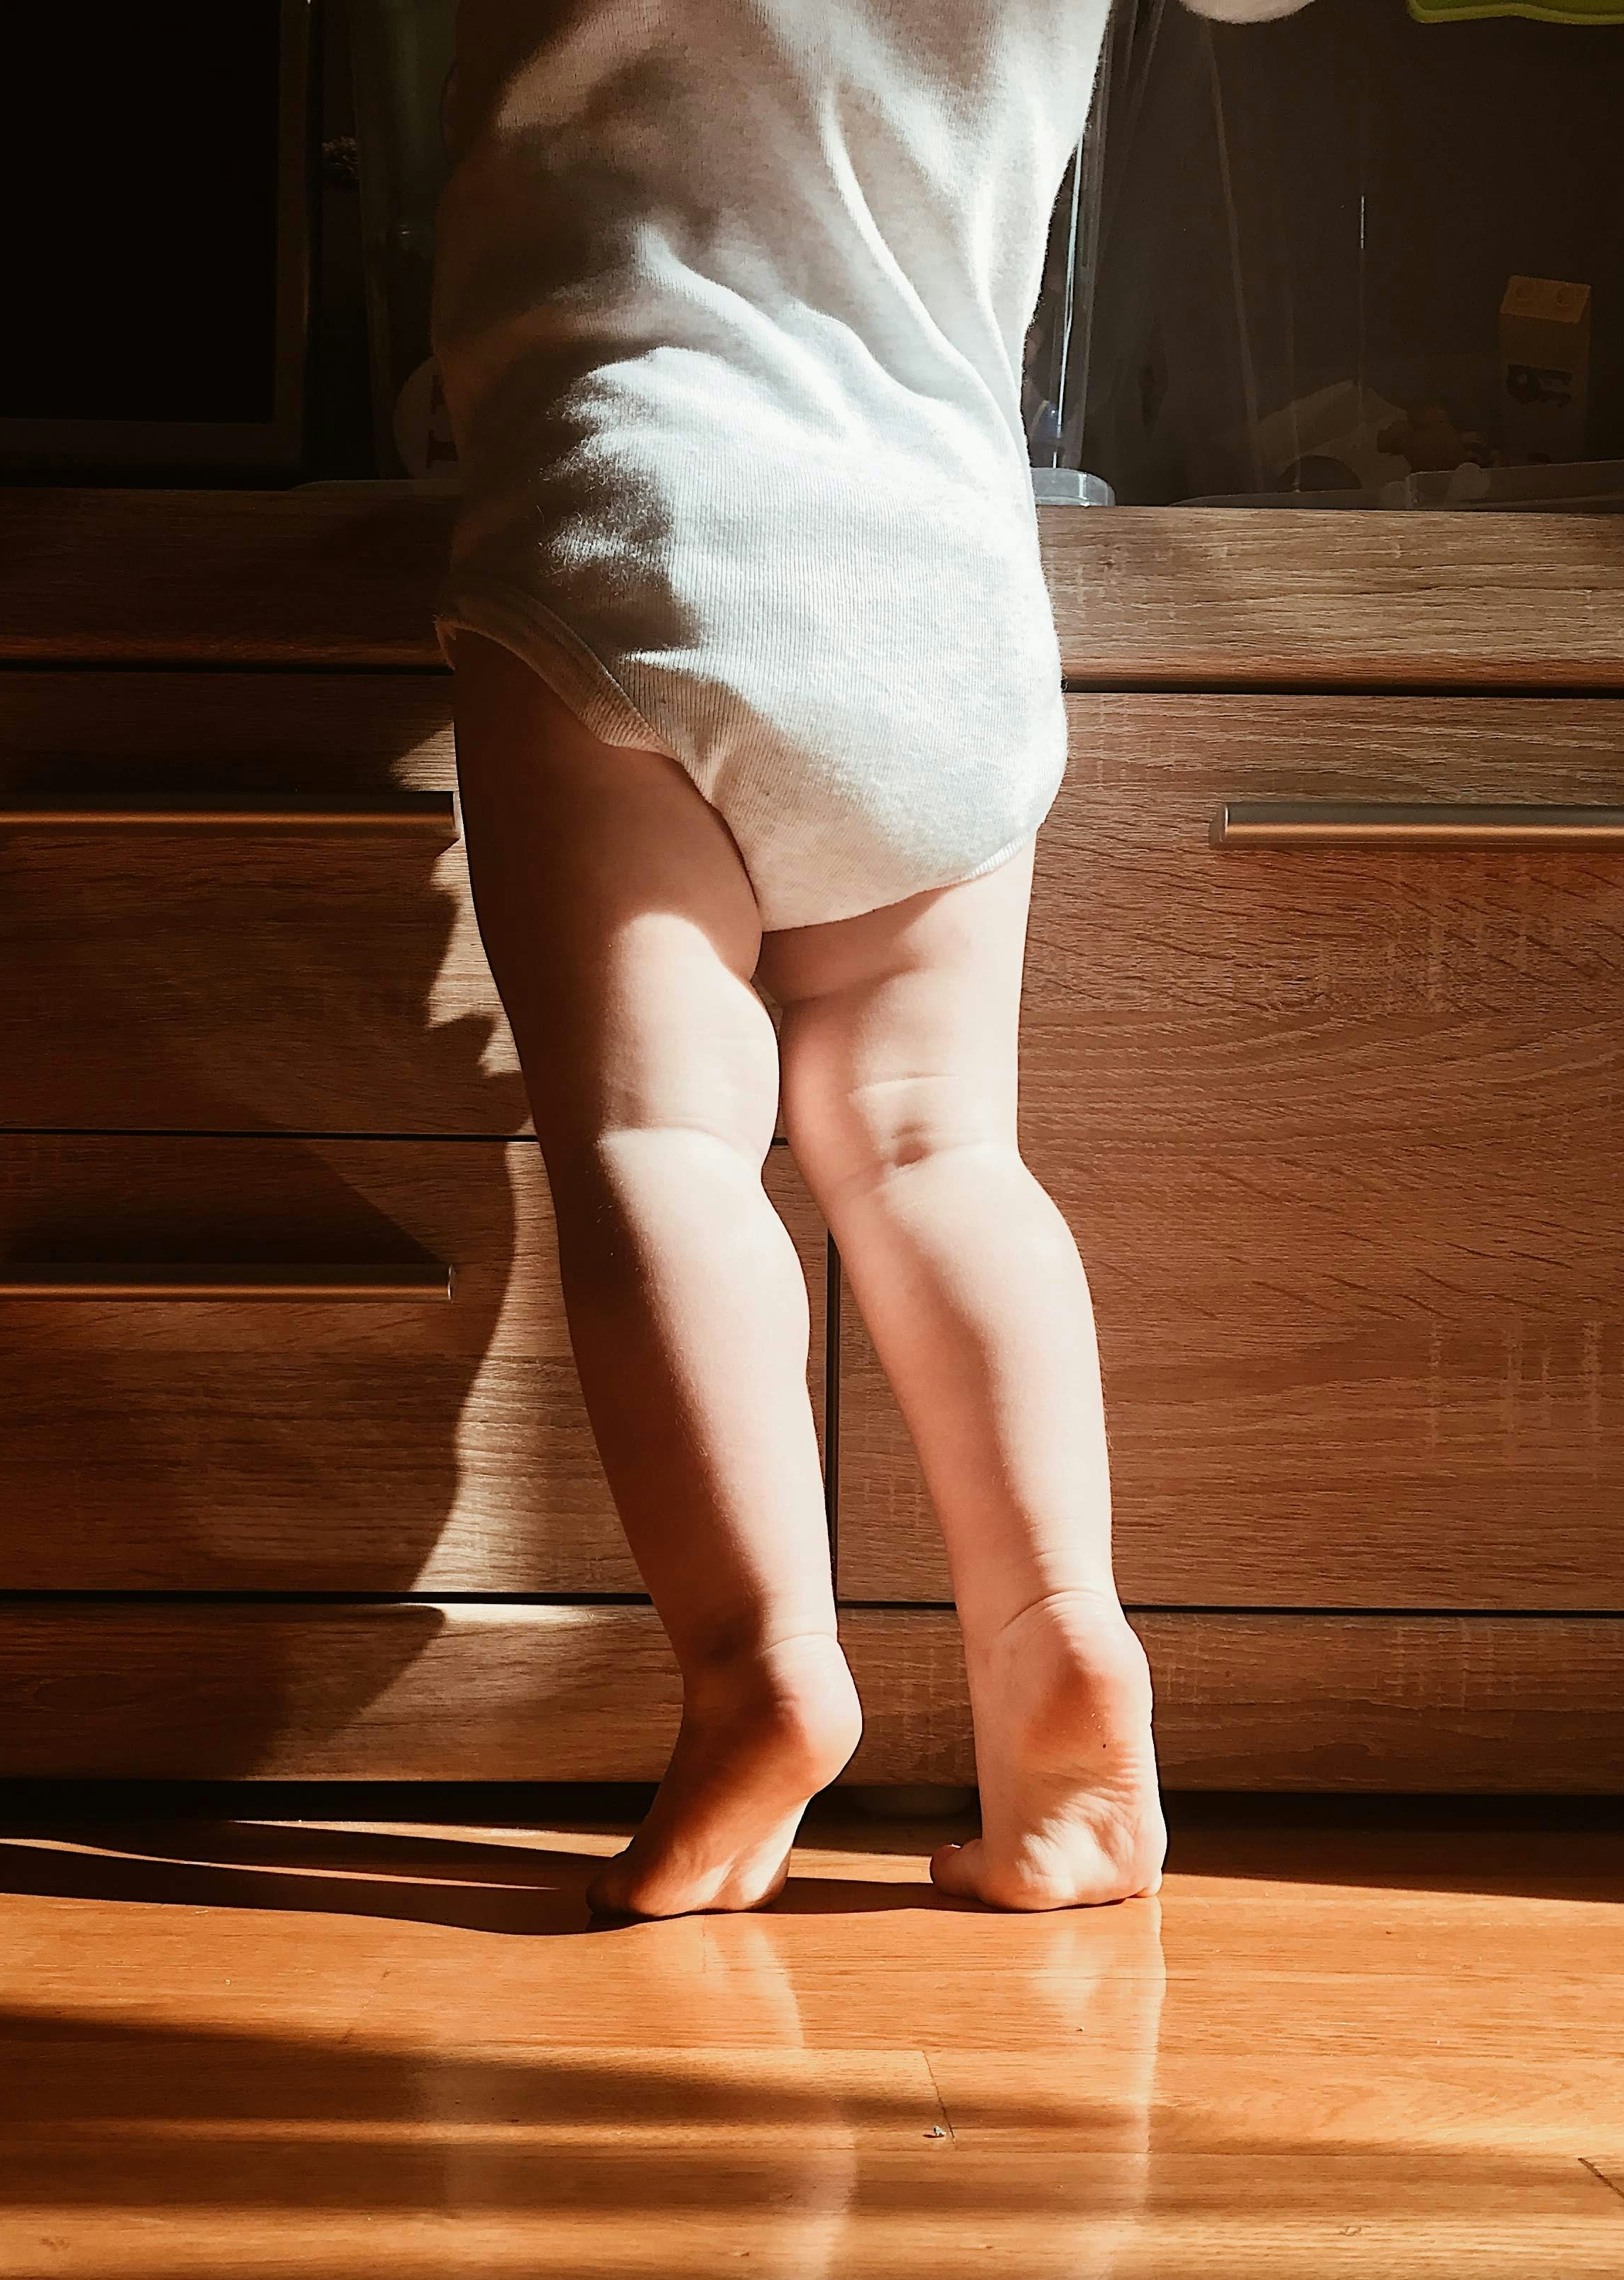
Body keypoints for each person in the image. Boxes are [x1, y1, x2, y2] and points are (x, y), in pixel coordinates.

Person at [431, 0, 1304, 1919]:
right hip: (940, 566)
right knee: (934, 1152)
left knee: (662, 1144)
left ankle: (757, 1673)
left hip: (631, 504)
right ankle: (1063, 1643)